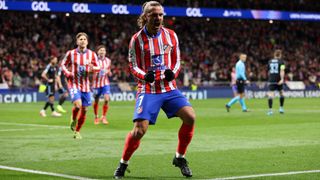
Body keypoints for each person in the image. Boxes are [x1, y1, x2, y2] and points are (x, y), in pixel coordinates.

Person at [113, 1, 196, 178]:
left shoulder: (171, 36)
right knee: (139, 131)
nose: (158, 18)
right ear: (145, 17)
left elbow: (177, 62)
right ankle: (123, 163)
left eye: (160, 14)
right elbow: (133, 66)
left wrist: (172, 74)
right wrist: (144, 76)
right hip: (148, 89)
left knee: (190, 117)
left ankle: (179, 157)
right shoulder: (136, 39)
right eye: (153, 15)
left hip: (169, 88)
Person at [60, 32, 100, 139]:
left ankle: (77, 131)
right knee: (78, 105)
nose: (82, 41)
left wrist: (93, 68)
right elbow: (63, 64)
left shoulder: (92, 54)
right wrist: (67, 73)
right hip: (74, 83)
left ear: (87, 42)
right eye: (80, 39)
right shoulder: (71, 53)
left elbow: (98, 67)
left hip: (86, 86)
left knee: (85, 110)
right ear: (77, 41)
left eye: (84, 39)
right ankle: (73, 119)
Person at [92, 45, 112, 125]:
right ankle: (96, 117)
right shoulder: (94, 60)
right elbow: (90, 70)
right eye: (100, 50)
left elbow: (109, 70)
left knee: (107, 99)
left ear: (105, 52)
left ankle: (103, 117)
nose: (102, 52)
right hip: (96, 84)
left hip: (105, 83)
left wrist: (109, 72)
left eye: (103, 50)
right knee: (96, 100)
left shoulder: (108, 60)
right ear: (98, 52)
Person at [267, 50, 285, 115]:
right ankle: (281, 108)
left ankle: (270, 110)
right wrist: (282, 79)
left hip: (271, 79)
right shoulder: (281, 62)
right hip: (278, 79)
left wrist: (270, 79)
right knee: (281, 93)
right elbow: (282, 70)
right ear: (280, 55)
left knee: (270, 95)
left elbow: (268, 71)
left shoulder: (269, 61)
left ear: (274, 55)